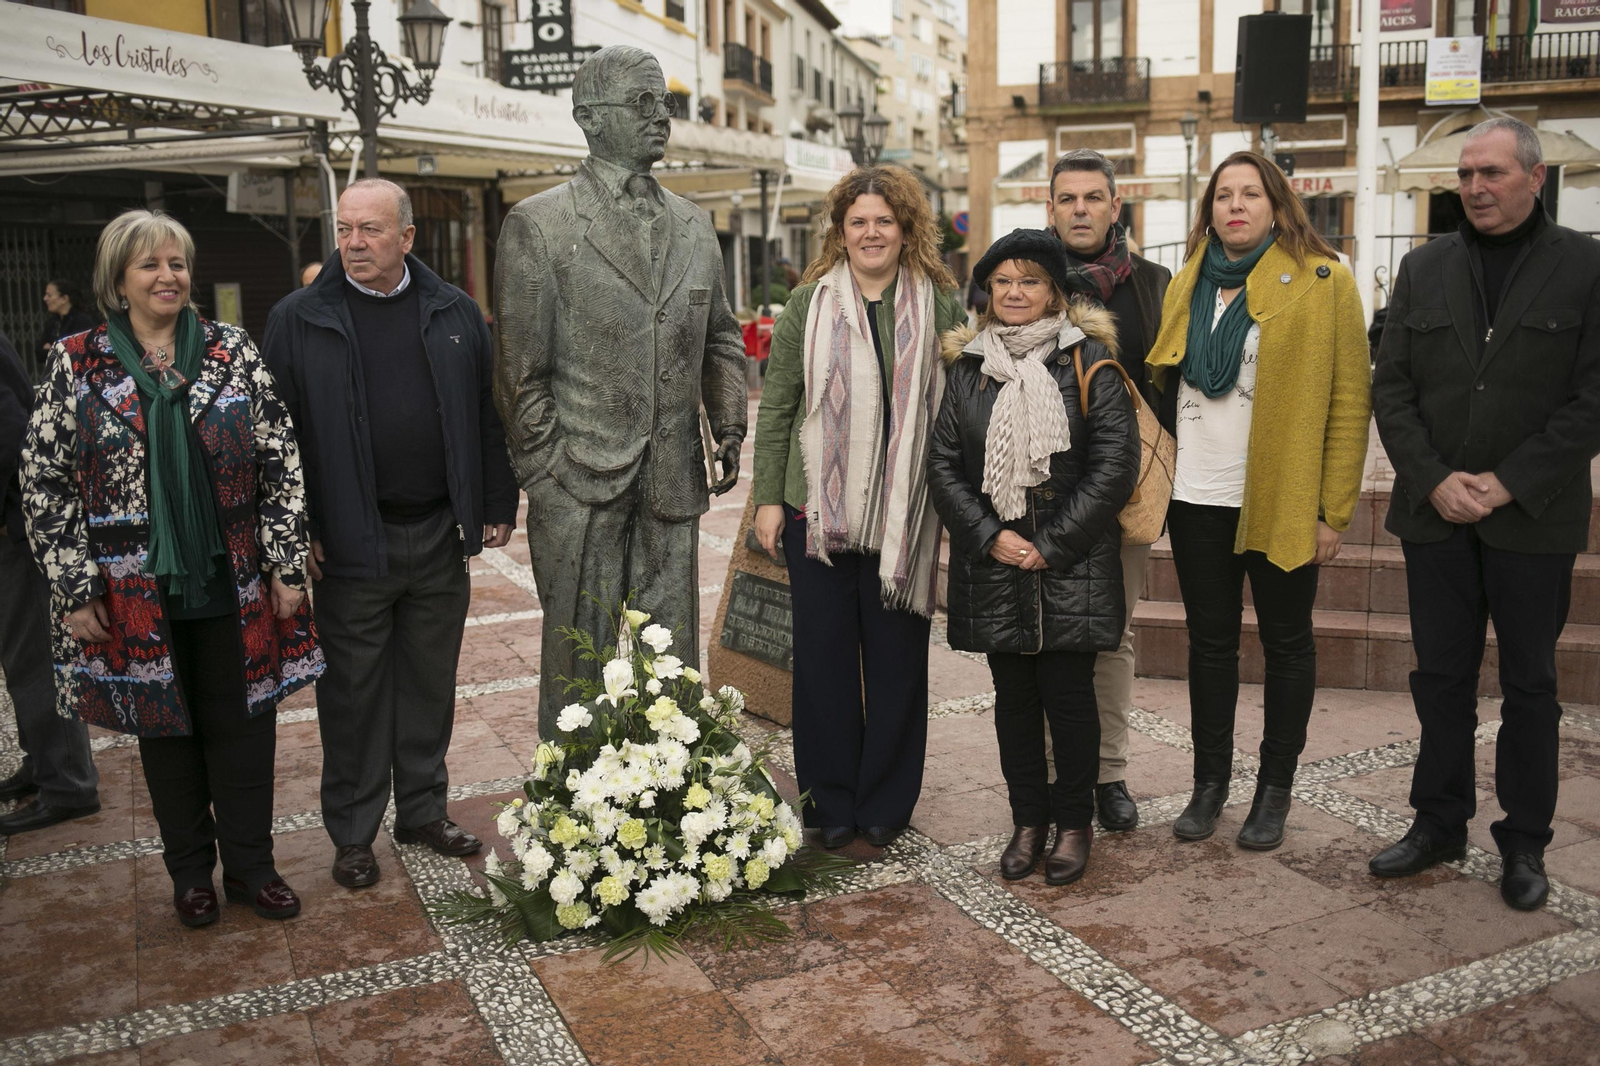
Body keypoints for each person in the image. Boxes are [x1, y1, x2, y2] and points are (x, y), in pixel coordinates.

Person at [21, 209, 320, 926]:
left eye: (178, 263)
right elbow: (43, 480)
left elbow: (280, 458)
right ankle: (191, 875)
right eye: (150, 265)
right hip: (131, 596)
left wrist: (286, 564)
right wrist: (72, 585)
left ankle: (252, 868)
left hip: (235, 584)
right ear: (118, 281)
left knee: (246, 730)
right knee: (167, 736)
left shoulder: (230, 349)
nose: (168, 276)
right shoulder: (77, 361)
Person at [1369, 117, 1600, 912]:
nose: (1474, 188)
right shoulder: (1423, 266)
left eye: (1492, 173)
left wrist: (1506, 481)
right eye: (1465, 174)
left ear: (1535, 179)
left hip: (1533, 517)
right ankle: (1437, 822)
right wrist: (1433, 480)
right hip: (1436, 516)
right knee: (1441, 678)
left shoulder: (1586, 265)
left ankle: (1524, 842)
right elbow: (1391, 388)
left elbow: (1592, 400)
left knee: (1530, 683)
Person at [263, 178, 518, 890]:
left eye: (370, 230)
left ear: (407, 237)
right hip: (349, 543)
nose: (354, 243)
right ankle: (353, 833)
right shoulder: (298, 318)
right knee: (352, 696)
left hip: (437, 533)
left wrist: (495, 499)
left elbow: (484, 415)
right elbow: (272, 439)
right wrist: (295, 532)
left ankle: (423, 812)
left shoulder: (456, 312)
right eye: (344, 230)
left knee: (429, 686)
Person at [495, 45, 746, 737]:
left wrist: (726, 425)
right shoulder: (538, 224)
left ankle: (673, 798)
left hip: (671, 477)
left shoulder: (696, 224)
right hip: (577, 480)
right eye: (641, 103)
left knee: (673, 664)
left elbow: (719, 336)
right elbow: (518, 373)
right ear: (587, 117)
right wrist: (549, 472)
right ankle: (573, 812)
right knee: (578, 668)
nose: (659, 116)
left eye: (664, 103)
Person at [1145, 151, 1370, 850]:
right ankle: (1209, 784)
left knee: (1287, 643)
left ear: (1277, 205)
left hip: (1281, 496)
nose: (1235, 206)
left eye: (1250, 194)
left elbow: (1349, 400)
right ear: (1208, 209)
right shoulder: (1186, 282)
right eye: (1222, 196)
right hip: (1197, 497)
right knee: (1210, 646)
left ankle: (1274, 790)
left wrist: (1333, 509)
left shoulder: (1324, 281)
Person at [752, 164, 965, 850]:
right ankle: (830, 803)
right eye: (858, 222)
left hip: (907, 515)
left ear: (906, 230)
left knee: (898, 663)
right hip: (816, 513)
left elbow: (961, 407)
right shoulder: (805, 306)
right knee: (823, 665)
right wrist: (766, 500)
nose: (871, 232)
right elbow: (779, 407)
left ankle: (885, 803)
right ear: (840, 234)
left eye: (884, 220)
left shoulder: (941, 306)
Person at [928, 229, 1138, 884]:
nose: (1015, 293)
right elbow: (942, 467)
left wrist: (1051, 545)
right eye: (1003, 282)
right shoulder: (966, 371)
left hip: (1069, 561)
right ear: (987, 293)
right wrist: (990, 535)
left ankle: (1074, 824)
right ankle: (1029, 820)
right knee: (1014, 699)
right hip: (995, 561)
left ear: (1055, 292)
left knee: (1070, 698)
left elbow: (1113, 468)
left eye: (1030, 281)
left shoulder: (1090, 363)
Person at [1046, 147, 1172, 833]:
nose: (1081, 210)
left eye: (1093, 198)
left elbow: (1171, 390)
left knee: (1111, 639)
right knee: (1043, 640)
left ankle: (1110, 776)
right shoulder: (1026, 278)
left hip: (1123, 496)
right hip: (1040, 497)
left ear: (1115, 207)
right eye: (1068, 199)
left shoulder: (1154, 285)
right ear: (1052, 208)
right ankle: (1053, 775)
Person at [0, 328, 100, 835]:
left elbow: (11, 434)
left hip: (15, 531)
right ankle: (44, 764)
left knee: (36, 658)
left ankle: (66, 782)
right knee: (23, 659)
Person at [37, 279, 97, 362]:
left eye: (49, 295)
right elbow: (39, 354)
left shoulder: (81, 321)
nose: (45, 299)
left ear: (64, 299)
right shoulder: (52, 322)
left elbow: (78, 354)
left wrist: (51, 349)